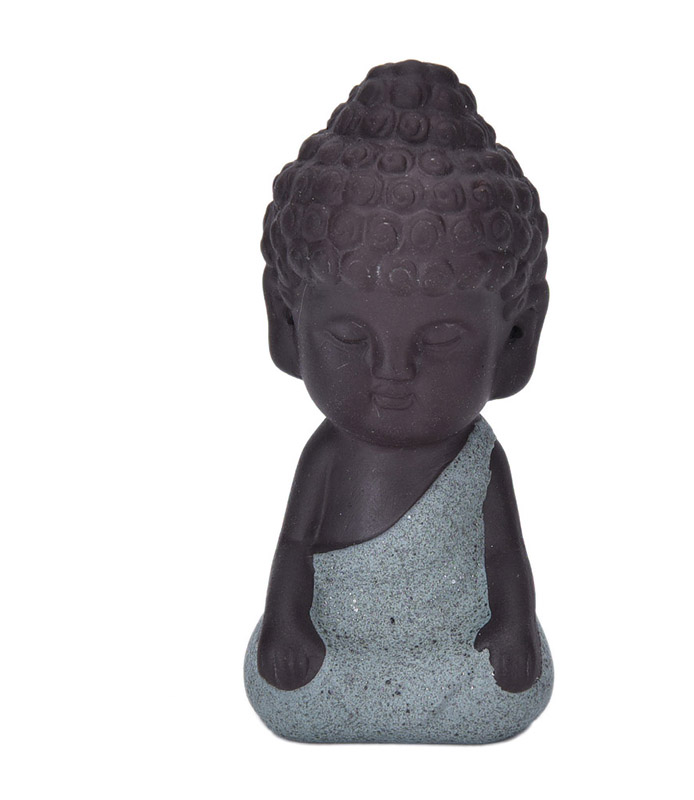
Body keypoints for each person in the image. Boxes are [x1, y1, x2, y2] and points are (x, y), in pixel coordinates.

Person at [245, 60, 553, 743]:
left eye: (441, 339)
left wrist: (512, 626)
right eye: (349, 336)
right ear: (287, 326)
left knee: (511, 690)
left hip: (454, 647)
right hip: (336, 648)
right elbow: (294, 547)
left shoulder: (479, 459)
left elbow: (504, 555)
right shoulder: (328, 455)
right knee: (279, 689)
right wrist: (289, 625)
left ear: (515, 339)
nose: (392, 373)